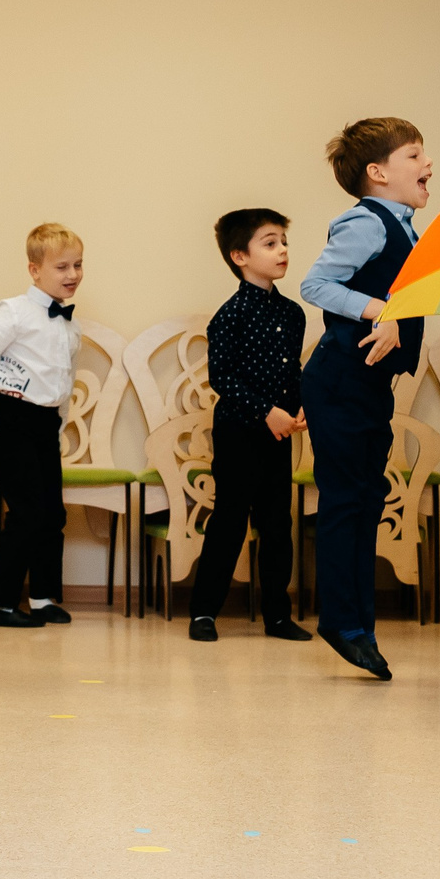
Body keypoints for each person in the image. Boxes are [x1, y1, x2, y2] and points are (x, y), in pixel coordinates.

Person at [296, 118, 430, 680]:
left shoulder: (405, 228)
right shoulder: (366, 222)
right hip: (340, 381)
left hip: (368, 385)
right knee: (348, 502)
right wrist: (383, 311)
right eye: (415, 155)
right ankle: (344, 624)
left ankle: (359, 627)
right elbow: (315, 286)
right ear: (378, 173)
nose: (427, 165)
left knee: (367, 499)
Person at [186, 209, 310, 642]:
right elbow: (223, 379)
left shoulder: (293, 313)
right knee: (230, 520)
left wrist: (298, 408)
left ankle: (277, 615)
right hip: (240, 432)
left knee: (278, 522)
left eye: (283, 242)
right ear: (240, 255)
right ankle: (204, 612)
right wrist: (265, 411)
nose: (282, 251)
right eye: (270, 243)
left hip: (279, 434)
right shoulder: (230, 315)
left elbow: (291, 371)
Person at [0, 222, 86, 628]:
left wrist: (59, 426)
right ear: (35, 270)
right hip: (9, 420)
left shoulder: (70, 325)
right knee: (28, 511)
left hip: (44, 425)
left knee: (52, 513)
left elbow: (62, 385)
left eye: (78, 266)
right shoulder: (14, 311)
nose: (72, 275)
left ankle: (42, 595)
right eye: (62, 267)